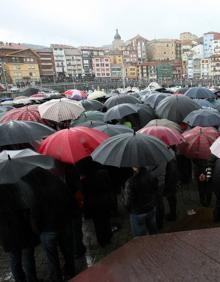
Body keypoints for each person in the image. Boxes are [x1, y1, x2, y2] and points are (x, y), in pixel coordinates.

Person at [23, 168, 76, 282]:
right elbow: (70, 200)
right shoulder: (59, 184)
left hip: (47, 231)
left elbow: (35, 215)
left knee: (52, 258)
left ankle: (57, 278)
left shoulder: (36, 192)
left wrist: (38, 230)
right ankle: (72, 272)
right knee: (68, 251)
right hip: (64, 224)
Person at [0, 182, 40, 282]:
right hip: (22, 228)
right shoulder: (15, 187)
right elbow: (26, 205)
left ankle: (20, 280)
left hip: (7, 232)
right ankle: (32, 279)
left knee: (14, 258)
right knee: (27, 256)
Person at [123, 167, 158, 237]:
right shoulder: (152, 175)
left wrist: (128, 209)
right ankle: (156, 245)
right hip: (150, 208)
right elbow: (155, 190)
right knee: (153, 231)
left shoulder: (130, 182)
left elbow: (128, 201)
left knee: (140, 238)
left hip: (137, 212)